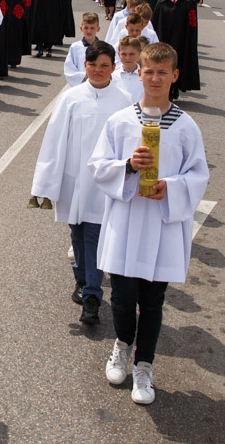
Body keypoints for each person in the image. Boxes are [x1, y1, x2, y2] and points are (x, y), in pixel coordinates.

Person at [89, 42, 210, 404]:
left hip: (161, 225)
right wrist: (127, 166)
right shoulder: (121, 121)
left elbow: (198, 176)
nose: (155, 78)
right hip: (126, 221)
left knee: (153, 301)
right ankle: (123, 344)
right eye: (148, 71)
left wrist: (169, 188)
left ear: (174, 76)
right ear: (138, 73)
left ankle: (144, 365)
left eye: (162, 72)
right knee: (123, 298)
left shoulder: (186, 127)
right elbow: (98, 165)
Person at [32, 40, 132, 326]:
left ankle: (92, 296)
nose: (98, 70)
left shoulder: (124, 101)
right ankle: (82, 279)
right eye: (92, 65)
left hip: (105, 184)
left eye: (104, 65)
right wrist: (46, 183)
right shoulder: (71, 98)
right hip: (76, 181)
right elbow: (54, 141)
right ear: (84, 66)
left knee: (94, 237)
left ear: (113, 67)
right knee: (77, 233)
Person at [151, 0, 200, 101]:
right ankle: (167, 90)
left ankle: (175, 87)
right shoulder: (162, 2)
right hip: (164, 39)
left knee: (179, 64)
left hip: (181, 39)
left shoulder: (187, 2)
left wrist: (191, 39)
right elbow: (155, 23)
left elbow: (192, 23)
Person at [63, 12, 102, 86]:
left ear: (98, 29)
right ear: (81, 28)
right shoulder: (75, 47)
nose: (89, 31)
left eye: (92, 28)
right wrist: (84, 76)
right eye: (86, 28)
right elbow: (69, 68)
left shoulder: (103, 48)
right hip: (81, 84)